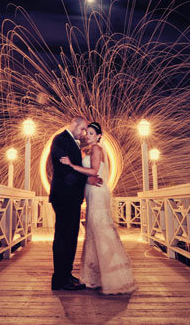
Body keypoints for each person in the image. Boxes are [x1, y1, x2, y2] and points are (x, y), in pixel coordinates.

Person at [60, 122, 137, 294]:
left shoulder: (96, 149)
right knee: (94, 231)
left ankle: (113, 277)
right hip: (92, 191)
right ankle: (96, 276)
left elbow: (94, 171)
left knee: (100, 230)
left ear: (99, 136)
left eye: (92, 133)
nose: (88, 135)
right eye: (87, 132)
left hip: (97, 192)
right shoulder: (89, 150)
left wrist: (72, 165)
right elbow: (90, 174)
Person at [49, 116, 102, 291]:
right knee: (63, 237)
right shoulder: (60, 140)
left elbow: (72, 169)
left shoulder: (72, 142)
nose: (84, 133)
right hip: (64, 197)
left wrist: (87, 180)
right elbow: (65, 170)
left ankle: (66, 275)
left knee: (71, 237)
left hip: (71, 197)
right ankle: (59, 279)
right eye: (83, 129)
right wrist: (88, 179)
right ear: (75, 125)